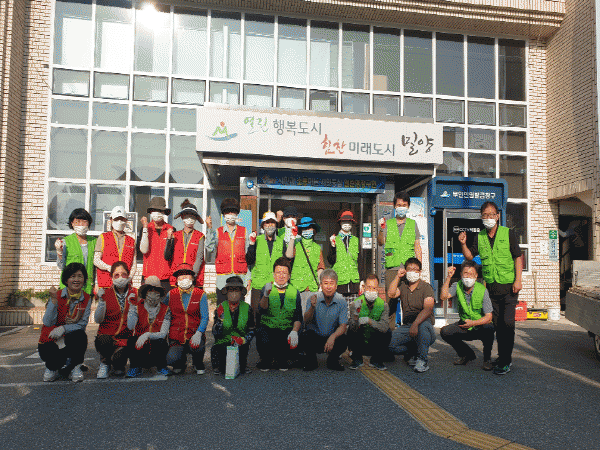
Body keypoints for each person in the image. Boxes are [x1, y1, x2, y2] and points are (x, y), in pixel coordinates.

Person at [458, 201, 523, 375]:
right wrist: (463, 244)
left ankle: (506, 361)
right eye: (485, 215)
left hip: (509, 287)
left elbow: (518, 257)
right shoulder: (480, 237)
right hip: (492, 289)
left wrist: (518, 280)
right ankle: (502, 357)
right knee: (497, 326)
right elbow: (470, 256)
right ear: (481, 217)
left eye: (491, 214)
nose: (488, 218)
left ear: (497, 216)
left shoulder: (508, 233)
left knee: (507, 325)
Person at [38, 262, 92, 383]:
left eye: (80, 276)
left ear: (84, 280)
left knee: (80, 335)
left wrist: (63, 328)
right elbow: (47, 322)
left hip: (70, 338)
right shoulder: (56, 295)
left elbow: (82, 324)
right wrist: (53, 300)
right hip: (51, 339)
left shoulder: (87, 298)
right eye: (73, 276)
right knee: (53, 356)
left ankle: (75, 366)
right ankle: (51, 367)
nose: (76, 280)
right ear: (66, 280)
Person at [440, 262, 494, 370]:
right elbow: (443, 296)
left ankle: (487, 359)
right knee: (445, 332)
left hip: (479, 326)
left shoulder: (482, 290)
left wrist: (473, 323)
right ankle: (466, 354)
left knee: (489, 327)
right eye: (465, 273)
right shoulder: (457, 285)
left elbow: (489, 317)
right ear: (461, 274)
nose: (468, 276)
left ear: (476, 276)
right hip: (464, 324)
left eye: (471, 274)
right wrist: (448, 277)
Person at [387, 258, 436, 373]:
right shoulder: (403, 285)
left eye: (415, 269)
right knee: (389, 345)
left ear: (420, 272)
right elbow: (391, 293)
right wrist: (397, 277)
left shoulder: (426, 287)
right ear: (405, 271)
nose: (412, 272)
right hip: (407, 326)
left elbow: (428, 309)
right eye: (409, 269)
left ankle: (422, 360)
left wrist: (415, 324)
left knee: (423, 326)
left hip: (424, 325)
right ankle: (413, 351)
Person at [256, 257, 302, 372]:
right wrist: (266, 295)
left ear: (289, 276)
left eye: (284, 273)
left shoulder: (294, 292)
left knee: (283, 365)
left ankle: (282, 358)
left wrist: (294, 331)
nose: (281, 276)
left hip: (285, 330)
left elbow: (298, 316)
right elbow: (261, 310)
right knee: (266, 363)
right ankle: (266, 358)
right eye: (278, 272)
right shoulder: (267, 288)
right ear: (274, 274)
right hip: (268, 329)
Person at [377, 191, 422, 307]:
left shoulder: (413, 224)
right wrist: (381, 229)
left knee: (409, 301)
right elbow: (381, 242)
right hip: (392, 268)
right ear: (394, 206)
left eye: (404, 205)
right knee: (390, 302)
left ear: (408, 207)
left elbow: (417, 246)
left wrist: (419, 268)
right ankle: (390, 320)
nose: (401, 207)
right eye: (399, 205)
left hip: (409, 268)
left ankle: (408, 320)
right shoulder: (388, 224)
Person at [94, 261, 137, 379]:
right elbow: (98, 319)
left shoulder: (135, 293)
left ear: (128, 275)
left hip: (124, 338)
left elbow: (132, 325)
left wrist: (133, 307)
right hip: (106, 337)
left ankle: (118, 363)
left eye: (123, 274)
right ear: (111, 277)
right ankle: (105, 362)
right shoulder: (105, 293)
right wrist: (101, 302)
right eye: (116, 275)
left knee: (119, 367)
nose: (120, 278)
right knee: (104, 340)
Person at [165, 263, 209, 374]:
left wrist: (199, 333)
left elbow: (205, 317)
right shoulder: (170, 294)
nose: (184, 277)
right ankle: (180, 363)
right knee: (172, 359)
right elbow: (163, 312)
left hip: (194, 334)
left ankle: (197, 363)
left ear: (193, 278)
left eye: (187, 274)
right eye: (180, 275)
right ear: (176, 279)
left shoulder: (201, 294)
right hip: (176, 335)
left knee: (198, 347)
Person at [302, 269, 348, 371]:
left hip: (332, 338)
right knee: (305, 336)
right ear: (321, 285)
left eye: (331, 283)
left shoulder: (341, 301)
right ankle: (312, 361)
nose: (328, 287)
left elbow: (343, 326)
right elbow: (306, 320)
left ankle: (332, 361)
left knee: (343, 339)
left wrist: (333, 337)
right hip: (316, 338)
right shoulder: (313, 298)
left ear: (336, 286)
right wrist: (312, 307)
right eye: (326, 283)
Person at [205, 198, 249, 305]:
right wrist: (209, 228)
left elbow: (249, 257)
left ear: (237, 214)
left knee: (239, 310)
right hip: (222, 281)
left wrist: (249, 278)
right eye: (227, 212)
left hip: (240, 279)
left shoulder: (244, 231)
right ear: (223, 214)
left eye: (233, 212)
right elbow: (209, 248)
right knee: (222, 310)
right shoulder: (217, 232)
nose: (230, 215)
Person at [246, 211, 287, 325]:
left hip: (275, 285)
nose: (270, 225)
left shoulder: (281, 242)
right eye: (267, 223)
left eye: (272, 223)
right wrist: (251, 245)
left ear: (276, 225)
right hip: (258, 285)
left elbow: (285, 263)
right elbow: (249, 260)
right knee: (256, 317)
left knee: (274, 317)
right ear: (263, 225)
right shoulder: (257, 240)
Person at [127, 276, 171, 377]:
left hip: (157, 348)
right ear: (145, 292)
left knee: (162, 342)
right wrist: (131, 307)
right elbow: (130, 326)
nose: (153, 293)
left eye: (156, 290)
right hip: (140, 348)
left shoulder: (166, 309)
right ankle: (135, 367)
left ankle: (161, 367)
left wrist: (147, 335)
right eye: (150, 290)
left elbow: (163, 333)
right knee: (131, 340)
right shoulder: (137, 306)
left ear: (160, 292)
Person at [211, 276, 256, 375]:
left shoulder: (247, 308)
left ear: (241, 292)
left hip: (240, 343)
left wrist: (244, 339)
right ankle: (218, 365)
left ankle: (243, 364)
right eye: (231, 290)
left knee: (240, 367)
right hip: (223, 343)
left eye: (237, 290)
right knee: (223, 369)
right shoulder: (220, 307)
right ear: (227, 292)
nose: (234, 294)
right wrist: (220, 321)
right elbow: (215, 333)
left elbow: (252, 329)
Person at [348, 274, 390, 371]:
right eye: (369, 287)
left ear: (378, 289)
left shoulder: (384, 305)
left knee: (388, 332)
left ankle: (376, 360)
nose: (371, 291)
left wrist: (369, 321)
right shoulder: (356, 303)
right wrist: (356, 320)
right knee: (350, 328)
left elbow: (384, 327)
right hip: (360, 342)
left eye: (374, 288)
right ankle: (357, 359)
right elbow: (352, 327)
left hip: (375, 342)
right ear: (364, 288)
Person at [164, 199, 206, 289]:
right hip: (176, 277)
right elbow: (167, 256)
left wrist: (192, 275)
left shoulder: (200, 236)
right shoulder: (175, 235)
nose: (189, 219)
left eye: (192, 216)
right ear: (182, 217)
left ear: (196, 219)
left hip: (194, 277)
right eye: (187, 216)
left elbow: (199, 257)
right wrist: (168, 239)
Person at [287, 217, 325, 314]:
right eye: (304, 228)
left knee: (311, 316)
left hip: (312, 288)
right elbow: (288, 255)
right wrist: (292, 238)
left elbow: (320, 268)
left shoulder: (317, 248)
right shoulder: (296, 244)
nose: (307, 230)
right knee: (297, 316)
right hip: (297, 288)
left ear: (314, 230)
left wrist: (320, 286)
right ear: (300, 231)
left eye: (309, 228)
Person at [55, 208, 97, 295]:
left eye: (84, 221)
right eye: (77, 222)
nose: (81, 225)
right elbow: (61, 266)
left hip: (87, 287)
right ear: (72, 223)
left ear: (89, 223)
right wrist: (59, 252)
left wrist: (97, 283)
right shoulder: (66, 242)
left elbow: (96, 267)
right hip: (69, 287)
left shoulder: (94, 242)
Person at [94, 206, 136, 289]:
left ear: (126, 221)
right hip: (106, 284)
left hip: (125, 284)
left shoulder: (131, 240)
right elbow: (96, 260)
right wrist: (109, 268)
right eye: (116, 219)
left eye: (122, 219)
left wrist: (129, 278)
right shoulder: (103, 237)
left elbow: (134, 264)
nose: (119, 222)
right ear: (111, 220)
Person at [138, 196, 174, 292]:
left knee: (165, 302)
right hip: (148, 276)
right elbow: (143, 250)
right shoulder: (145, 229)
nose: (157, 213)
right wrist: (145, 228)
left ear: (164, 212)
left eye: (160, 210)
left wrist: (169, 238)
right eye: (154, 210)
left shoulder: (171, 229)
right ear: (150, 212)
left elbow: (171, 255)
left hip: (165, 277)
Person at [328, 210, 361, 299]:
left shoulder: (356, 240)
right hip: (339, 284)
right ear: (340, 223)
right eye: (344, 222)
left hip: (354, 284)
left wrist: (362, 281)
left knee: (354, 307)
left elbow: (360, 262)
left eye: (349, 222)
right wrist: (333, 247)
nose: (347, 224)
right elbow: (331, 260)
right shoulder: (334, 239)